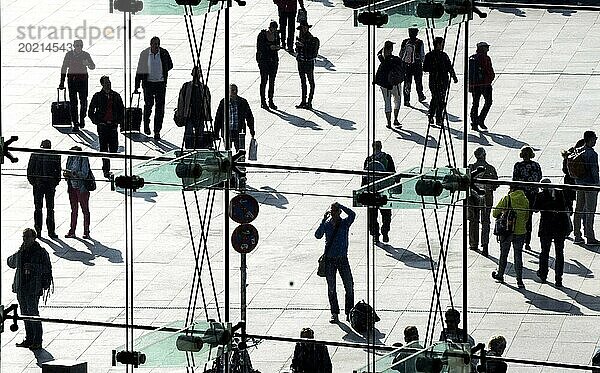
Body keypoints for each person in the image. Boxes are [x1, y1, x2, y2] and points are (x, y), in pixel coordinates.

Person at [7, 228, 52, 350]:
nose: (25, 239)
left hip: (33, 288)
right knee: (24, 314)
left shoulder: (40, 252)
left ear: (34, 238)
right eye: (23, 237)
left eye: (27, 237)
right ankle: (28, 339)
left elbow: (46, 269)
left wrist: (33, 267)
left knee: (33, 314)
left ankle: (37, 341)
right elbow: (10, 263)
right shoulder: (21, 251)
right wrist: (19, 253)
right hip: (21, 287)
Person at [315, 202, 356, 323]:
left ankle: (349, 312)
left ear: (339, 212)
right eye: (331, 211)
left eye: (335, 211)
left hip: (343, 259)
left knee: (349, 286)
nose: (332, 213)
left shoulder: (344, 223)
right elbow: (318, 235)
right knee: (331, 288)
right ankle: (334, 312)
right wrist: (322, 221)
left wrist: (341, 206)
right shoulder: (327, 224)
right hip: (330, 260)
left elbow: (353, 214)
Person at [533, 179, 571, 287]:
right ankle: (558, 278)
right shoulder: (560, 193)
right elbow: (568, 206)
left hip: (546, 227)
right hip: (560, 227)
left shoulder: (541, 195)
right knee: (559, 253)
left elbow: (535, 209)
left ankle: (543, 274)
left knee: (545, 251)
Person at [134, 36, 174, 140]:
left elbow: (170, 65)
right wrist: (136, 85)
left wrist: (162, 71)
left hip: (160, 84)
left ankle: (157, 130)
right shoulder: (144, 54)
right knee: (149, 105)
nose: (156, 46)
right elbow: (139, 69)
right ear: (150, 44)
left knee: (160, 108)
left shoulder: (164, 53)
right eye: (154, 44)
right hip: (148, 84)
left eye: (158, 44)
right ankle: (146, 124)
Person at [492, 185, 530, 288]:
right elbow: (527, 217)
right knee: (518, 256)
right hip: (520, 232)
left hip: (507, 232)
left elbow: (495, 213)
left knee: (503, 254)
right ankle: (519, 280)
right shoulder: (525, 200)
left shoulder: (507, 198)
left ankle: (500, 275)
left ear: (511, 189)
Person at [88, 76, 124, 179]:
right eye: (106, 83)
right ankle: (106, 169)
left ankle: (108, 162)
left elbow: (121, 109)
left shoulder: (116, 96)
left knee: (114, 148)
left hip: (113, 126)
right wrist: (97, 122)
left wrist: (119, 122)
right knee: (104, 148)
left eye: (109, 82)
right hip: (103, 126)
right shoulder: (98, 96)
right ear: (102, 84)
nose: (108, 84)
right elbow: (90, 111)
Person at [27, 139, 61, 239]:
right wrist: (34, 183)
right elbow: (30, 171)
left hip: (50, 186)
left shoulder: (55, 155)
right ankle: (38, 230)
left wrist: (55, 183)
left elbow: (58, 171)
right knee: (38, 208)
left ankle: (51, 231)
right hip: (38, 186)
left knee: (50, 209)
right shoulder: (35, 155)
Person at [59, 39, 96, 131]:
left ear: (82, 46)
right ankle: (75, 122)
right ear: (74, 46)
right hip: (72, 81)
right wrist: (62, 81)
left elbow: (93, 66)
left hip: (83, 81)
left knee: (83, 101)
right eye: (76, 45)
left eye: (80, 45)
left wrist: (88, 64)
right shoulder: (69, 55)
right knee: (73, 103)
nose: (78, 47)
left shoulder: (85, 55)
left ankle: (82, 117)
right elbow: (64, 67)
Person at [363, 140, 395, 242]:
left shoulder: (368, 160)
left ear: (373, 147)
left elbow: (364, 176)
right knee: (386, 214)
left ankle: (375, 235)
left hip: (372, 192)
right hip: (384, 191)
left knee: (372, 215)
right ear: (381, 147)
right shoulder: (387, 158)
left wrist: (363, 190)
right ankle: (385, 232)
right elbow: (393, 173)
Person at [468, 147, 498, 256]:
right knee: (485, 221)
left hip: (472, 198)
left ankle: (473, 243)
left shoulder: (470, 167)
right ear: (485, 155)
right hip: (487, 197)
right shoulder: (491, 168)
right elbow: (496, 185)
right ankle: (485, 245)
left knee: (473, 220)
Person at [423, 37, 458, 127]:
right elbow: (425, 68)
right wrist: (435, 67)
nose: (443, 45)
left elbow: (449, 66)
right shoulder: (430, 55)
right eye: (442, 43)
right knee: (436, 98)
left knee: (440, 99)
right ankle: (432, 116)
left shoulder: (443, 55)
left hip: (442, 80)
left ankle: (437, 117)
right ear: (438, 44)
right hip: (435, 80)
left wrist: (454, 76)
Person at [512, 146, 542, 250]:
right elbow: (539, 177)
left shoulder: (518, 166)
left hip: (521, 195)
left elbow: (514, 180)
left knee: (519, 216)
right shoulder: (536, 165)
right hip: (532, 195)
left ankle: (519, 237)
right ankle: (527, 242)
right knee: (529, 218)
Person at [175, 66, 212, 149]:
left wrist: (208, 115)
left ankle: (198, 150)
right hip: (189, 115)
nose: (197, 75)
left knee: (200, 136)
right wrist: (180, 114)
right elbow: (181, 101)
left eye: (198, 73)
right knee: (188, 135)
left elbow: (208, 102)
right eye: (195, 73)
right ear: (192, 74)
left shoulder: (204, 88)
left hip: (200, 115)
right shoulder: (186, 86)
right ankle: (188, 150)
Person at [573, 130, 599, 246]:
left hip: (579, 184)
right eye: (595, 139)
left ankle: (577, 235)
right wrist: (597, 185)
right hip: (590, 185)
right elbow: (594, 171)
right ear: (590, 139)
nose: (596, 141)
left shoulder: (577, 151)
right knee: (590, 211)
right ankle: (590, 236)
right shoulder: (592, 154)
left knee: (578, 210)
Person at [214, 84, 255, 152]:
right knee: (227, 151)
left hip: (239, 130)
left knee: (240, 151)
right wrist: (216, 132)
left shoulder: (243, 102)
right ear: (228, 91)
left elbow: (249, 117)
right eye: (232, 90)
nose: (234, 92)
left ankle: (239, 161)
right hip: (227, 131)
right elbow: (218, 118)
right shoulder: (223, 102)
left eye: (236, 90)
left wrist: (252, 129)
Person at [64, 146, 92, 239]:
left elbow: (84, 173)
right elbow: (67, 168)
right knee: (74, 210)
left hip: (82, 188)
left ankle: (86, 231)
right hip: (72, 186)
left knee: (85, 210)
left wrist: (74, 174)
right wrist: (66, 174)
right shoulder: (70, 158)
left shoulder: (83, 159)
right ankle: (72, 230)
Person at [374, 40, 403, 128]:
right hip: (396, 84)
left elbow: (379, 53)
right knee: (397, 101)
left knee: (387, 103)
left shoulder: (382, 60)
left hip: (385, 85)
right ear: (391, 49)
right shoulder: (395, 59)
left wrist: (384, 49)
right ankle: (396, 119)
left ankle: (389, 122)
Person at [469, 41, 495, 131]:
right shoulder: (485, 58)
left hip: (475, 85)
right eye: (486, 47)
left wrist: (470, 85)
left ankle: (474, 123)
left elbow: (470, 74)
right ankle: (480, 119)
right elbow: (489, 69)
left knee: (475, 104)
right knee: (488, 102)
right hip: (485, 84)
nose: (488, 48)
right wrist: (491, 77)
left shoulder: (472, 58)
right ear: (482, 48)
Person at [256, 20, 281, 110]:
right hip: (264, 60)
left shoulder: (276, 35)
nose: (273, 30)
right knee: (264, 81)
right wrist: (269, 47)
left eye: (274, 29)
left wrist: (277, 47)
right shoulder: (262, 35)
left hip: (273, 60)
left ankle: (271, 100)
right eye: (271, 29)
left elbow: (278, 43)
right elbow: (259, 47)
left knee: (272, 81)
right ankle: (263, 101)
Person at [295, 21, 319, 110]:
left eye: (305, 28)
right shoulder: (300, 37)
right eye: (302, 28)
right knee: (303, 82)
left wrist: (303, 45)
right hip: (301, 62)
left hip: (308, 63)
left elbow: (312, 51)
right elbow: (298, 50)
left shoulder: (312, 39)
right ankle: (303, 101)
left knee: (311, 82)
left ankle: (309, 102)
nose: (303, 30)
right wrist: (298, 46)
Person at [400, 28, 426, 105]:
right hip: (417, 65)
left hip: (406, 66)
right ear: (417, 33)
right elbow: (422, 55)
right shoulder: (420, 42)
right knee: (418, 81)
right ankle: (420, 96)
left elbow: (401, 54)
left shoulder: (405, 42)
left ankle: (406, 100)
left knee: (407, 82)